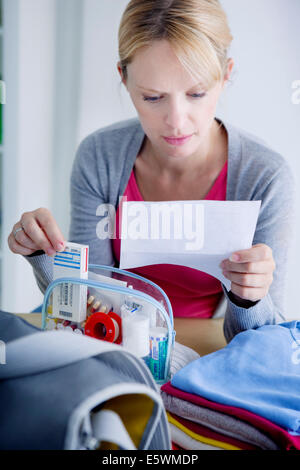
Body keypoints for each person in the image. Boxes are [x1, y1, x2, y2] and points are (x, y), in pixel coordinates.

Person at [7, 0, 295, 342]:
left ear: (227, 75)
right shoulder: (100, 156)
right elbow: (85, 304)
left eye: (197, 93)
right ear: (124, 79)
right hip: (107, 337)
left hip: (198, 345)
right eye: (153, 98)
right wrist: (42, 254)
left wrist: (251, 298)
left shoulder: (265, 178)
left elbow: (266, 341)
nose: (176, 122)